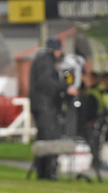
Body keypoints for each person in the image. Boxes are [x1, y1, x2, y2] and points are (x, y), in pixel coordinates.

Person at [28, 37, 76, 180]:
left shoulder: (40, 59)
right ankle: (48, 172)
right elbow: (46, 82)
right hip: (45, 106)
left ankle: (43, 171)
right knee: (49, 138)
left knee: (43, 138)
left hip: (40, 105)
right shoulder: (46, 61)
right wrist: (65, 88)